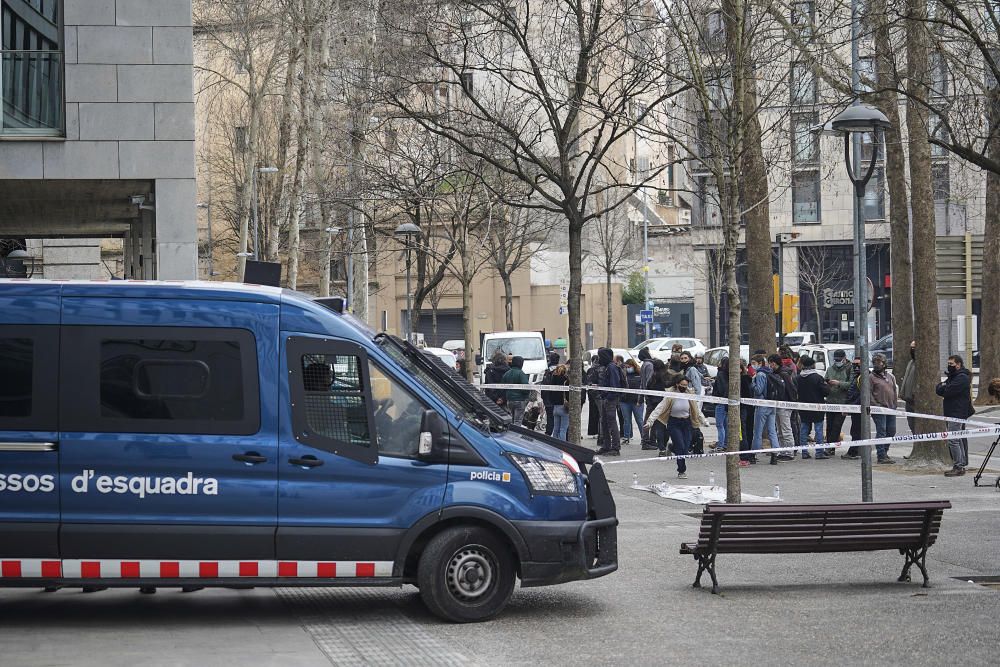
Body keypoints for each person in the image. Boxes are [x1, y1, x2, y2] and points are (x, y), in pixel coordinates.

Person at [644, 375, 706, 477]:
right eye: (682, 385)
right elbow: (659, 408)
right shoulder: (670, 395)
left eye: (686, 385)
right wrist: (650, 421)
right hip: (674, 423)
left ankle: (672, 447)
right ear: (677, 384)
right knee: (680, 446)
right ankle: (681, 470)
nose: (684, 387)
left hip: (687, 423)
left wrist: (703, 420)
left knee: (685, 449)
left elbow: (696, 409)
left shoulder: (690, 394)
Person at [937, 354, 975, 477]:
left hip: (957, 413)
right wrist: (943, 386)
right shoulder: (953, 377)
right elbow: (938, 389)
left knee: (953, 440)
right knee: (957, 439)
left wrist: (944, 387)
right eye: (948, 363)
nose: (949, 366)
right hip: (951, 412)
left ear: (958, 365)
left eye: (951, 364)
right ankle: (961, 464)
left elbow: (947, 391)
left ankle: (958, 465)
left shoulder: (962, 378)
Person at [796, 355, 830, 459]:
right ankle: (819, 452)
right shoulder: (817, 377)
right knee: (818, 429)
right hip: (817, 407)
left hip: (803, 407)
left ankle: (804, 452)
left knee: (804, 429)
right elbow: (825, 392)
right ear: (813, 365)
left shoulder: (797, 378)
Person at [751, 354, 781, 465]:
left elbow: (759, 390)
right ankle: (774, 455)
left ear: (760, 363)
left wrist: (752, 383)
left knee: (758, 431)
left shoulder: (760, 374)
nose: (752, 365)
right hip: (771, 404)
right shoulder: (770, 372)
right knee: (772, 431)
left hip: (762, 404)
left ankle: (754, 454)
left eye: (754, 363)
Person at [595, 347, 625, 456]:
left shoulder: (611, 368)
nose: (598, 359)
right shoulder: (608, 367)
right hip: (606, 398)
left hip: (610, 399)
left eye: (600, 356)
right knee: (604, 423)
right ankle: (606, 446)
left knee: (611, 423)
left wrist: (608, 397)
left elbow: (614, 386)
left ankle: (615, 447)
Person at [869, 353, 898, 464]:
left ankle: (885, 451)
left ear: (884, 363)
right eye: (874, 362)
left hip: (891, 408)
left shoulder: (890, 376)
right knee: (882, 431)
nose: (876, 364)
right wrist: (876, 405)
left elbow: (894, 391)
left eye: (879, 362)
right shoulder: (871, 377)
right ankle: (881, 455)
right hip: (879, 409)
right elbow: (869, 393)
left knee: (891, 430)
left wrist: (894, 404)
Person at [825, 349, 851, 452]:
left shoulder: (849, 369)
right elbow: (825, 380)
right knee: (829, 425)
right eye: (835, 360)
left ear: (844, 359)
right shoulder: (830, 369)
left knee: (837, 425)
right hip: (830, 401)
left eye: (839, 359)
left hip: (842, 402)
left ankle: (830, 447)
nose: (837, 362)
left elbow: (851, 385)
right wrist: (827, 384)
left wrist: (839, 383)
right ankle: (829, 446)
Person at [774, 353, 797, 461]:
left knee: (785, 429)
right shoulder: (781, 373)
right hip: (780, 404)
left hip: (785, 404)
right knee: (780, 430)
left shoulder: (783, 374)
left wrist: (790, 403)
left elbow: (790, 389)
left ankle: (789, 452)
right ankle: (783, 450)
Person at [644, 359, 670, 451]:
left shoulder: (653, 377)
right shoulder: (665, 376)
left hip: (653, 403)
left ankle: (650, 442)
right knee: (662, 424)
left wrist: (649, 401)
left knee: (653, 423)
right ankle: (658, 442)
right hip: (664, 403)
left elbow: (647, 389)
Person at [842, 356, 864, 459]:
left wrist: (851, 406)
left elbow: (861, 395)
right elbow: (851, 393)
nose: (855, 367)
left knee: (856, 431)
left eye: (858, 365)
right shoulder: (857, 376)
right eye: (854, 365)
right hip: (855, 408)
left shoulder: (863, 377)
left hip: (858, 408)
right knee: (855, 431)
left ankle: (853, 452)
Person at [619, 358, 644, 445]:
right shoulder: (623, 375)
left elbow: (643, 389)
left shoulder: (640, 375)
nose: (627, 368)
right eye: (626, 367)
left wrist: (640, 400)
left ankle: (644, 438)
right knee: (626, 420)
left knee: (639, 420)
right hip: (625, 401)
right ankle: (626, 437)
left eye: (629, 366)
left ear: (633, 366)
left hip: (636, 401)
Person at [502, 356, 531, 424]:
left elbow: (503, 386)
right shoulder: (521, 374)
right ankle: (516, 434)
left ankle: (510, 433)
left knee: (511, 420)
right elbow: (525, 388)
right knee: (517, 420)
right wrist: (526, 395)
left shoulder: (507, 373)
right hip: (520, 400)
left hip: (509, 400)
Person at [711, 356, 732, 453]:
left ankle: (721, 444)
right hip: (727, 402)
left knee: (720, 425)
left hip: (720, 402)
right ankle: (726, 444)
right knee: (725, 425)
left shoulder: (720, 374)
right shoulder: (730, 374)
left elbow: (720, 388)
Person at [548, 364, 571, 441]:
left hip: (555, 407)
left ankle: (555, 446)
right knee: (563, 429)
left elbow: (550, 393)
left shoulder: (553, 380)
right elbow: (568, 395)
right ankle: (562, 447)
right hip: (564, 407)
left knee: (556, 429)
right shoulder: (566, 381)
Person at [637, 347, 655, 448]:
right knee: (649, 418)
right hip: (651, 396)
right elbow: (648, 381)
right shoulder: (649, 365)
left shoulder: (644, 365)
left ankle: (648, 439)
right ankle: (646, 440)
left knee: (649, 418)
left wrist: (640, 398)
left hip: (648, 395)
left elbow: (642, 383)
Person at [541, 351, 561, 436]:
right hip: (558, 399)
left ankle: (548, 434)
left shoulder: (546, 372)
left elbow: (543, 386)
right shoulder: (561, 371)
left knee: (550, 417)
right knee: (558, 418)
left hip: (548, 399)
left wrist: (544, 398)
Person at [899, 340, 918, 433]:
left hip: (916, 401)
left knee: (916, 426)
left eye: (914, 348)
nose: (912, 350)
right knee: (912, 425)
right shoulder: (910, 362)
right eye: (911, 348)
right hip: (908, 400)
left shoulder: (921, 364)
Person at [586, 355, 601, 438]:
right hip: (596, 394)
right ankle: (598, 431)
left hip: (592, 394)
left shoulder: (590, 370)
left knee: (593, 413)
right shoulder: (597, 370)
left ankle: (594, 431)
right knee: (598, 413)